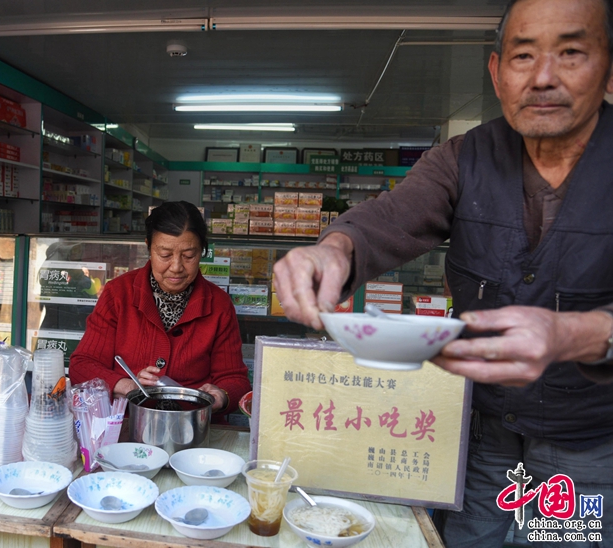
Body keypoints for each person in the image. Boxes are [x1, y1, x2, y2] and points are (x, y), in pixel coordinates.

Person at [274, 0, 613, 545]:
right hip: (484, 432)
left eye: (571, 52)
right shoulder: (462, 157)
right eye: (524, 55)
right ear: (497, 72)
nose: (544, 77)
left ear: (608, 66)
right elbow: (388, 218)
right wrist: (333, 249)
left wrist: (580, 333)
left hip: (592, 444)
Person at [68, 201, 251, 416]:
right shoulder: (118, 294)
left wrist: (221, 395)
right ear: (149, 248)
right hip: (126, 423)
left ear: (203, 251)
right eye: (165, 255)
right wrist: (128, 386)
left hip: (194, 427)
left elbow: (236, 380)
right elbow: (82, 365)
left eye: (189, 256)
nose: (176, 267)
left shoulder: (219, 304)